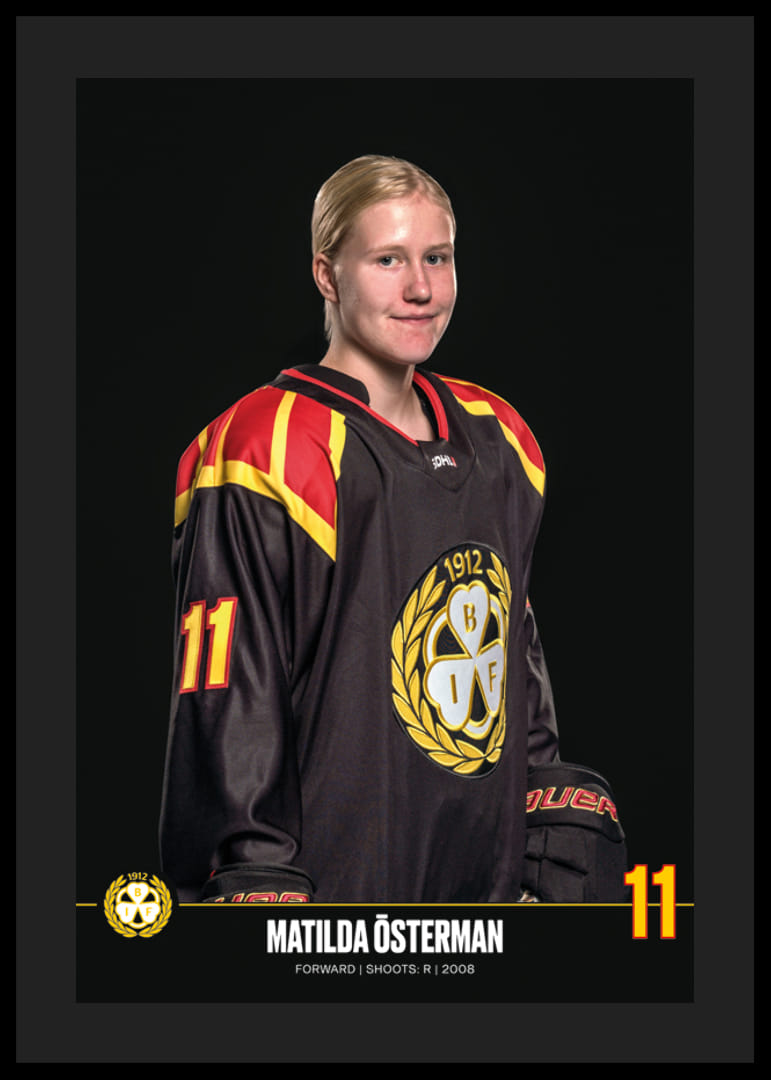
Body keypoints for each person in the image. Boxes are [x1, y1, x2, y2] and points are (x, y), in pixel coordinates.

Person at [159, 155, 627, 904]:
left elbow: (512, 654)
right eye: (388, 260)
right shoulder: (266, 445)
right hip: (335, 899)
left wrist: (540, 817)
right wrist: (253, 875)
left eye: (436, 258)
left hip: (484, 891)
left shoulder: (500, 438)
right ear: (326, 274)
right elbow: (229, 699)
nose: (420, 289)